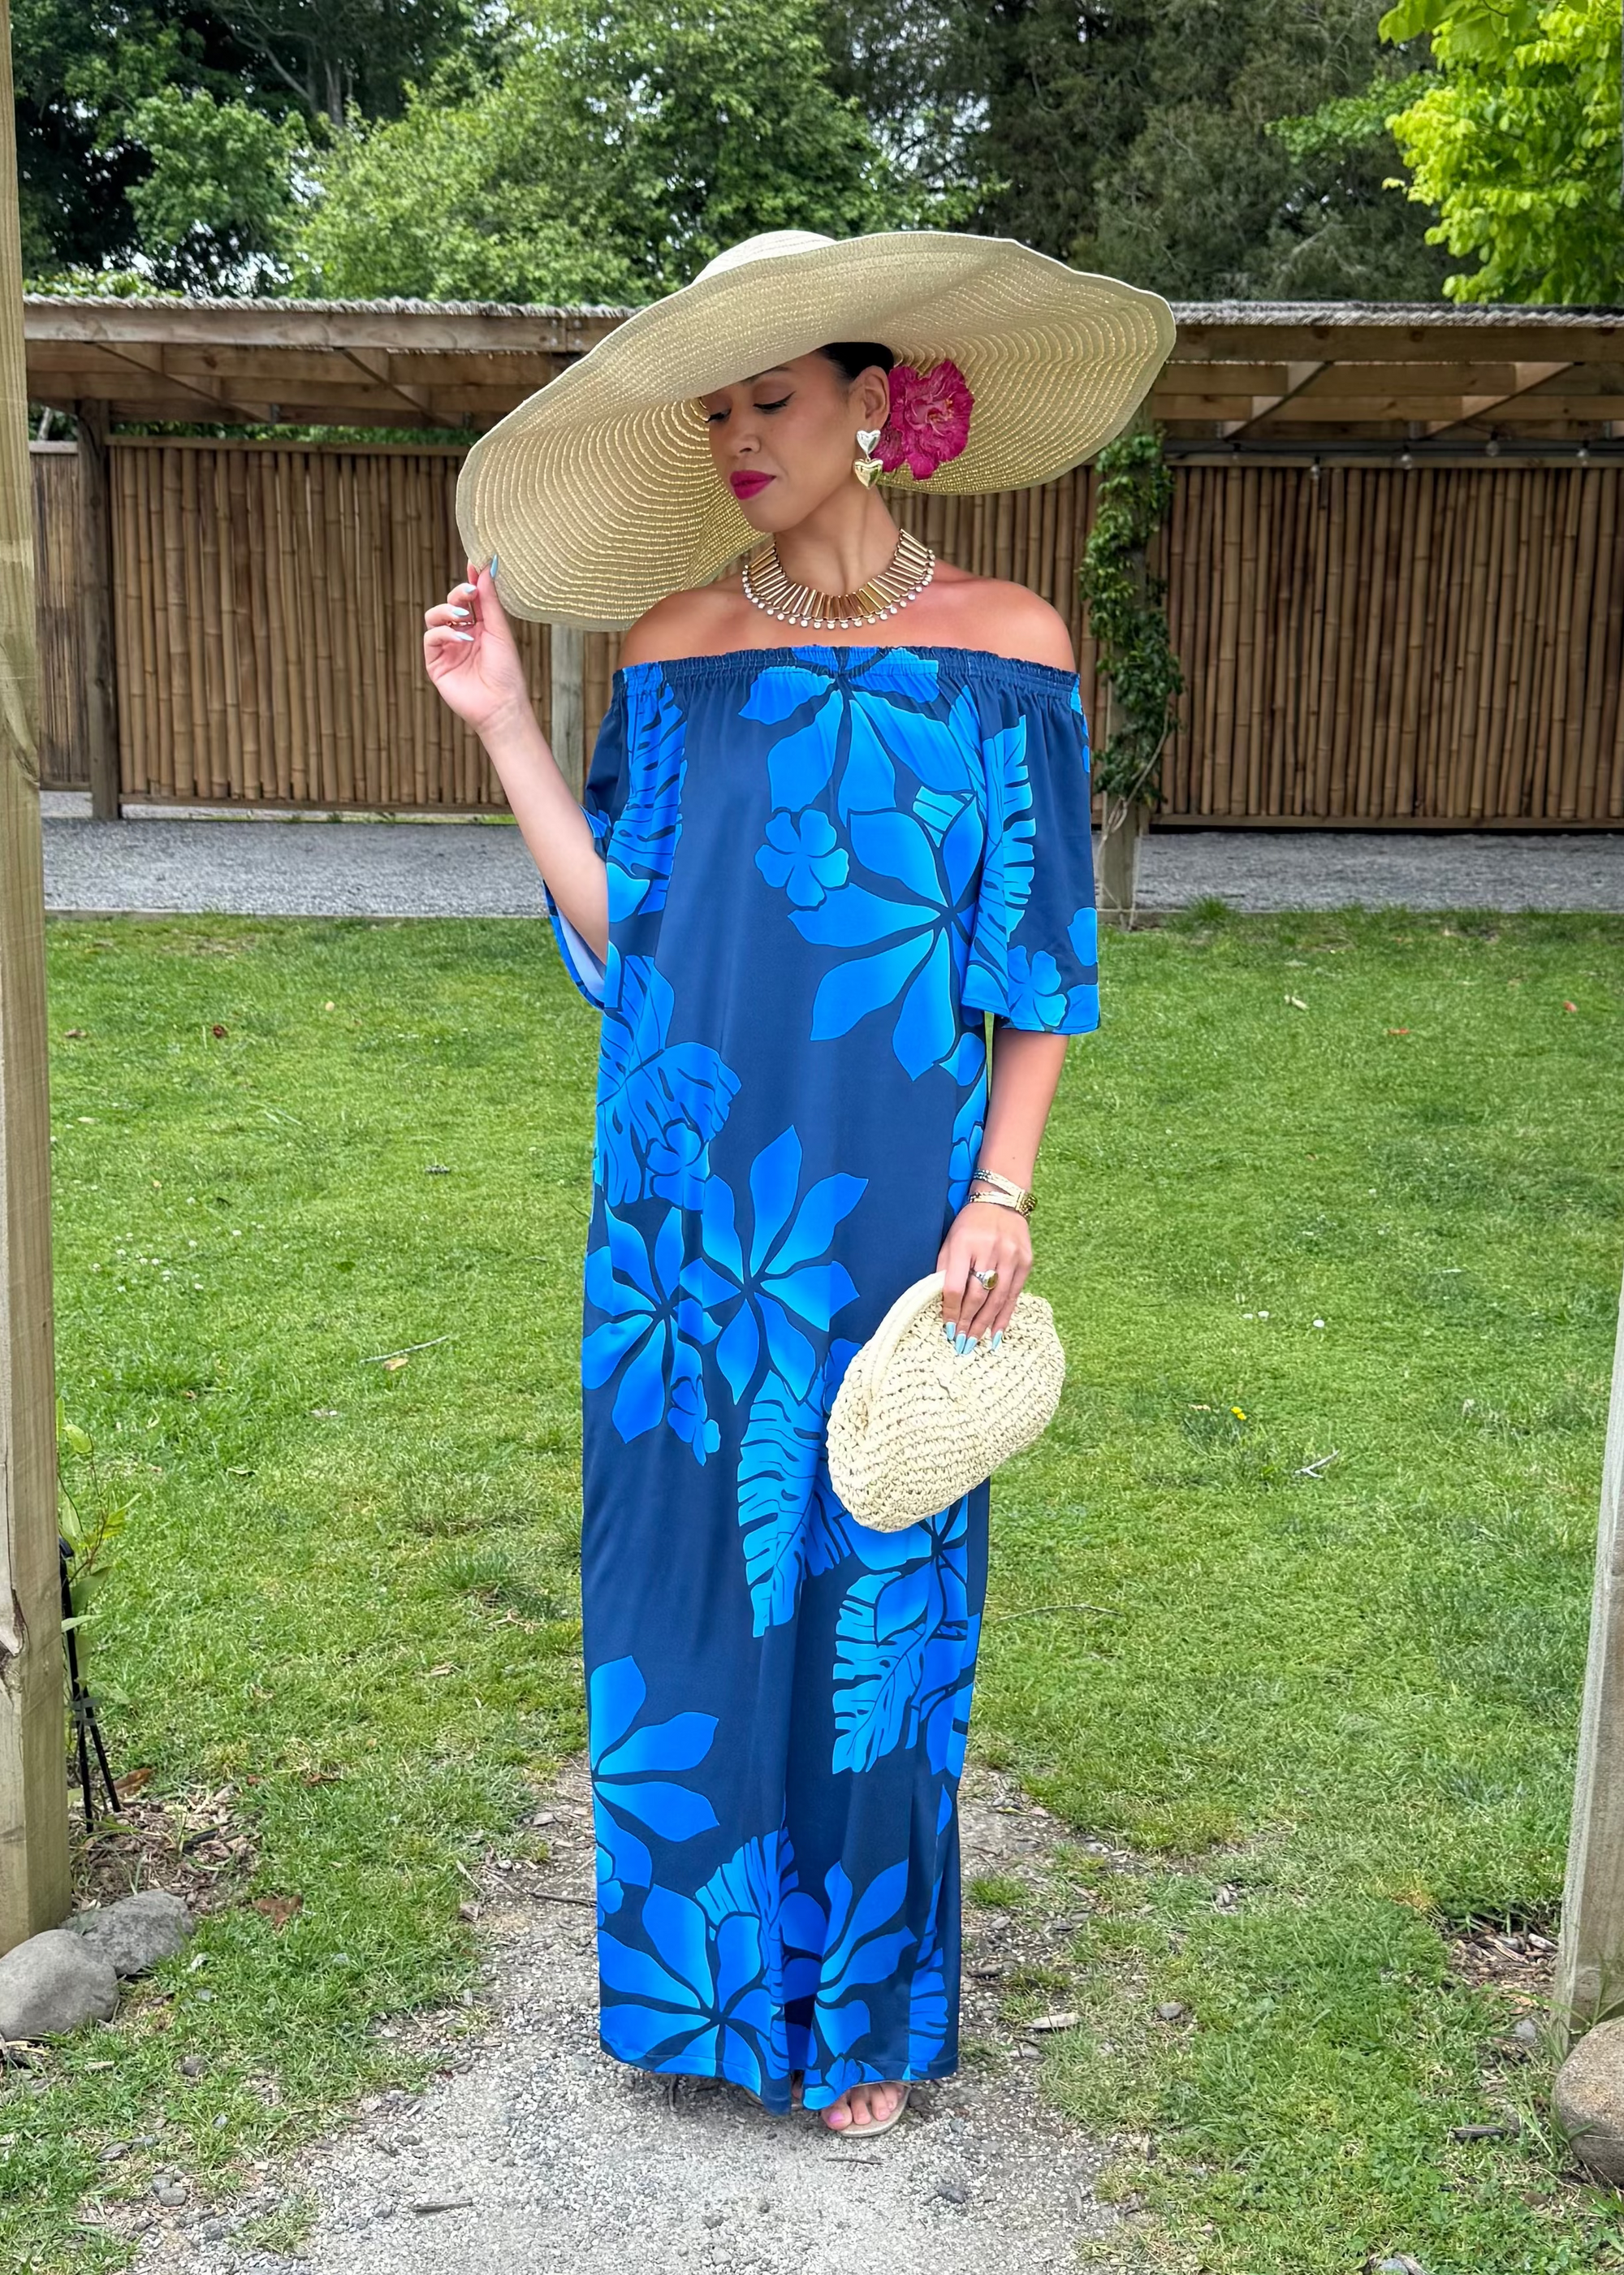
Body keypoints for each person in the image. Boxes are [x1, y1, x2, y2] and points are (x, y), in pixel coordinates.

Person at [423, 229, 1173, 2136]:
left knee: (878, 1603)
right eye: (718, 409)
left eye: (773, 397)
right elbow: (625, 934)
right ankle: (704, 2003)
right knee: (684, 1587)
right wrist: (508, 721)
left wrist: (999, 1192)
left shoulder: (1009, 649)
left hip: (894, 1208)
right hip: (687, 1226)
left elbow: (1037, 957)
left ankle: (857, 2021)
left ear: (869, 399)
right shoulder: (674, 652)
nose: (742, 435)